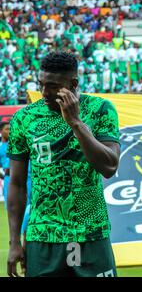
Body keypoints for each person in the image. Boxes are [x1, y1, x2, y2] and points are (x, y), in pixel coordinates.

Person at [6, 51, 121, 277]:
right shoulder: (24, 118)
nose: (44, 93)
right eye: (41, 85)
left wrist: (76, 123)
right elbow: (17, 184)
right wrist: (14, 242)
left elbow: (109, 167)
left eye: (53, 86)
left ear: (73, 83)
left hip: (90, 233)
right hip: (43, 236)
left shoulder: (100, 110)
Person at [0, 122, 10, 208]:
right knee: (11, 208)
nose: (9, 131)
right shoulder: (0, 147)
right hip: (9, 179)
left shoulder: (16, 144)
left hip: (25, 178)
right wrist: (4, 175)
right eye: (7, 129)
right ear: (1, 131)